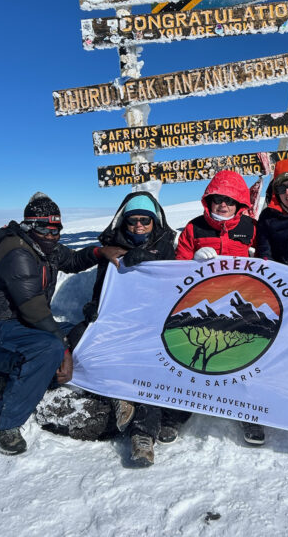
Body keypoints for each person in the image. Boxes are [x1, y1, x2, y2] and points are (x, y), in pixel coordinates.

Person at [0, 192, 126, 455]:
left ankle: (9, 373)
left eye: (56, 229)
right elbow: (33, 309)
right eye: (44, 228)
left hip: (17, 328)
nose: (51, 235)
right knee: (49, 348)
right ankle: (5, 424)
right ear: (29, 226)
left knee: (79, 331)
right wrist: (63, 352)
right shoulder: (17, 251)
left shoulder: (44, 247)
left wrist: (98, 251)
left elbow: (71, 261)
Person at [68, 192, 183, 467]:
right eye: (133, 220)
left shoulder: (168, 246)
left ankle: (143, 435)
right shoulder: (111, 246)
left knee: (147, 364)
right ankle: (118, 395)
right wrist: (94, 308)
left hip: (151, 321)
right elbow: (103, 286)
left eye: (145, 220)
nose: (139, 225)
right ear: (124, 221)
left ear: (155, 222)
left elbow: (174, 287)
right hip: (115, 318)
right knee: (77, 343)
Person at [176, 170, 263, 445]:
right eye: (217, 199)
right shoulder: (193, 227)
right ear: (208, 201)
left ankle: (248, 412)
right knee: (188, 357)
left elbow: (268, 264)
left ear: (239, 203)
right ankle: (175, 413)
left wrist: (256, 259)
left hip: (239, 305)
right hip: (199, 303)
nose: (223, 204)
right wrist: (193, 262)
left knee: (244, 357)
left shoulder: (251, 229)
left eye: (229, 200)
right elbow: (176, 268)